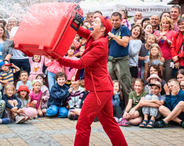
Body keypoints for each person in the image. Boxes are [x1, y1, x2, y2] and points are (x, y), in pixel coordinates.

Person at [56, 16, 127, 145]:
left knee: (83, 124)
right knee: (109, 124)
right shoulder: (94, 35)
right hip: (103, 88)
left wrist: (58, 58)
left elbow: (81, 63)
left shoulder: (100, 44)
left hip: (99, 90)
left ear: (103, 28)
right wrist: (71, 21)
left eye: (96, 22)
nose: (92, 23)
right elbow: (80, 30)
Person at [107, 12, 131, 104]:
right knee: (110, 84)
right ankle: (113, 108)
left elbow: (125, 43)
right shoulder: (110, 29)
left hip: (121, 60)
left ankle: (128, 108)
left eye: (117, 20)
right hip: (110, 60)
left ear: (121, 20)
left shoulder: (124, 29)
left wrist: (113, 36)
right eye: (113, 20)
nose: (114, 22)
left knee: (125, 85)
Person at [154, 17, 176, 81]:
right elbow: (153, 44)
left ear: (170, 25)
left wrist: (167, 40)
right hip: (158, 58)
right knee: (158, 76)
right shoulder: (157, 33)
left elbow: (174, 45)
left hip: (169, 58)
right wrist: (160, 37)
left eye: (167, 23)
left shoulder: (173, 32)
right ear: (161, 24)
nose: (165, 25)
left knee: (168, 76)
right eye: (163, 23)